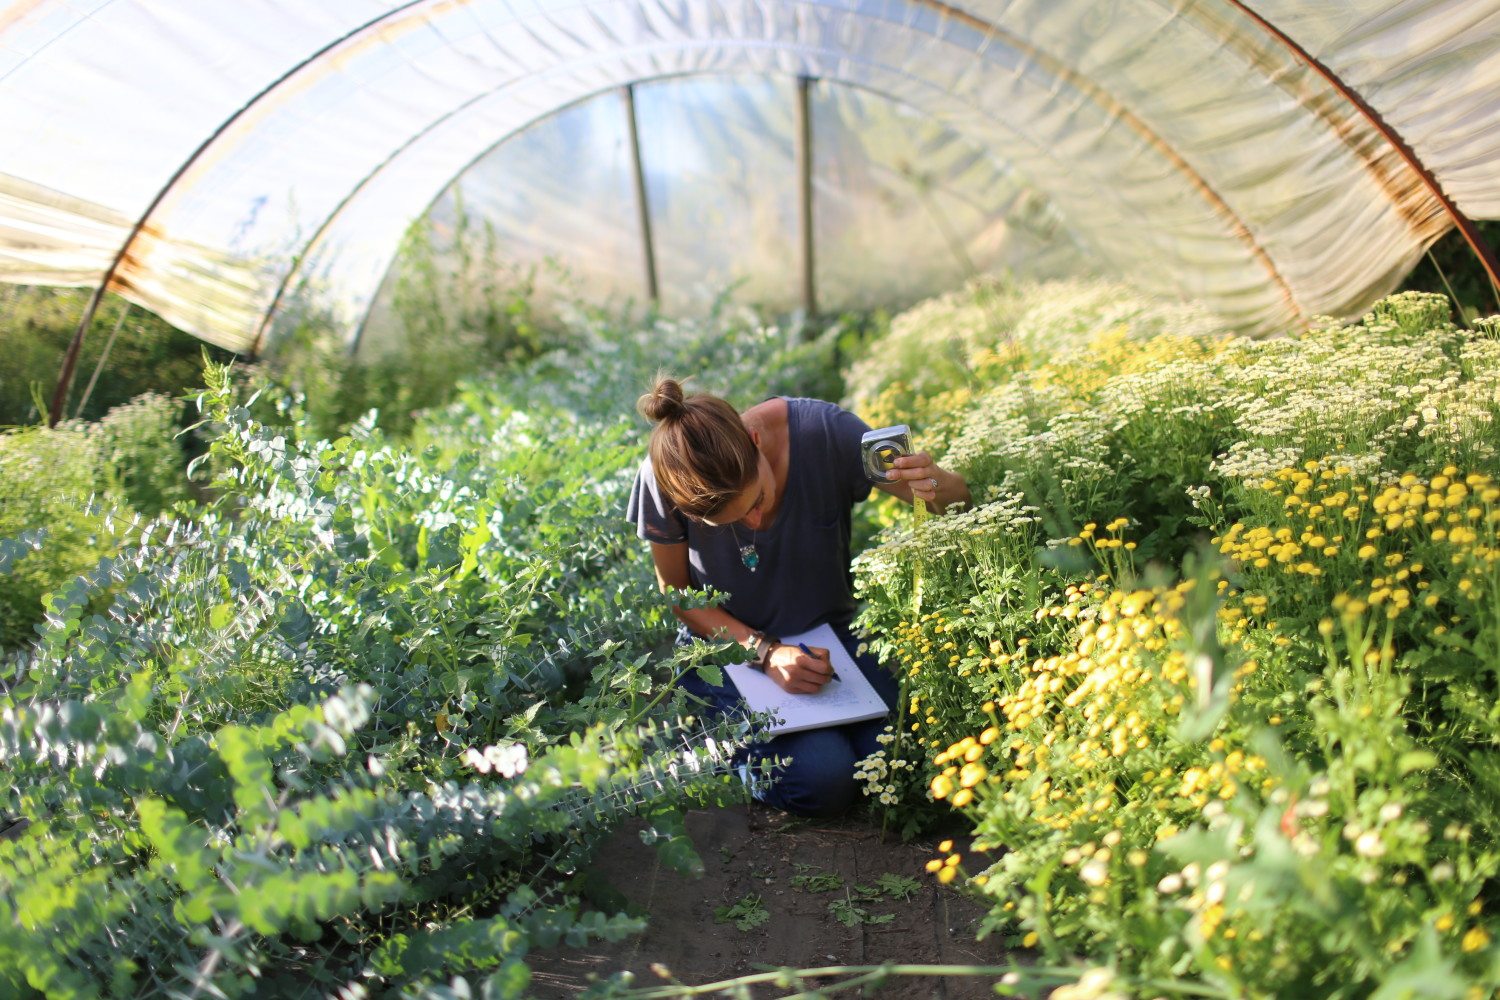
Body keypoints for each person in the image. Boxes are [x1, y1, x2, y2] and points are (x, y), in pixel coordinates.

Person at [627, 376, 971, 816]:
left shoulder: (827, 433)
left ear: (755, 441)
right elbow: (677, 595)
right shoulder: (663, 478)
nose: (753, 521)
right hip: (726, 651)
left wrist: (933, 480)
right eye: (729, 522)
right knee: (823, 776)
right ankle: (718, 738)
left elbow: (955, 502)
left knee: (902, 752)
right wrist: (766, 652)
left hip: (831, 634)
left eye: (758, 499)